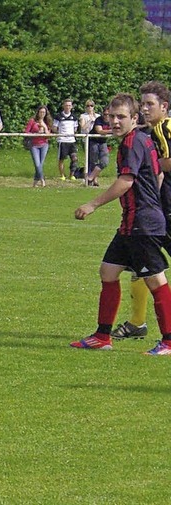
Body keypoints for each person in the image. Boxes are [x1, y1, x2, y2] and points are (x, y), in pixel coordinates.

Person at [71, 93, 171, 355]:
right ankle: (103, 336)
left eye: (121, 117)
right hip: (132, 223)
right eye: (111, 116)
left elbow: (126, 181)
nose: (115, 121)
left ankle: (169, 341)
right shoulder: (138, 139)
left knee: (155, 280)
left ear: (134, 118)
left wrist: (91, 205)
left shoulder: (132, 143)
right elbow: (156, 173)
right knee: (108, 272)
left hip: (143, 224)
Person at [110, 81, 171, 343]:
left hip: (165, 212)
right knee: (139, 266)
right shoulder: (150, 132)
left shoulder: (165, 128)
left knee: (151, 272)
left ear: (164, 107)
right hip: (158, 209)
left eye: (150, 104)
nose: (145, 108)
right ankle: (136, 322)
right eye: (143, 104)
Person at [24, 106, 52, 187]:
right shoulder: (32, 121)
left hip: (44, 144)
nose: (42, 114)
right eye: (41, 112)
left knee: (40, 164)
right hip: (34, 145)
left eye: (44, 112)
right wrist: (35, 134)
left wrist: (44, 126)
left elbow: (48, 136)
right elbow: (26, 132)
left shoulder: (47, 122)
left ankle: (35, 182)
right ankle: (42, 180)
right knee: (37, 164)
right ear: (38, 112)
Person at [52, 99, 80, 181]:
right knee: (62, 159)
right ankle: (62, 175)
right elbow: (54, 128)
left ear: (71, 107)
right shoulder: (58, 116)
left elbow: (75, 129)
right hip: (62, 141)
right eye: (66, 105)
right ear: (63, 106)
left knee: (75, 159)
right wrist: (60, 133)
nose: (68, 107)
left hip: (72, 141)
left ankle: (72, 175)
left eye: (69, 105)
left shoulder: (74, 117)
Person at [85, 106, 112, 187]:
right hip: (93, 141)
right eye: (105, 114)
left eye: (108, 114)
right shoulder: (99, 120)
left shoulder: (112, 120)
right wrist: (112, 131)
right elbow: (99, 130)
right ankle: (94, 180)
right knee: (93, 161)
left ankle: (90, 178)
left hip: (103, 142)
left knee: (104, 162)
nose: (106, 116)